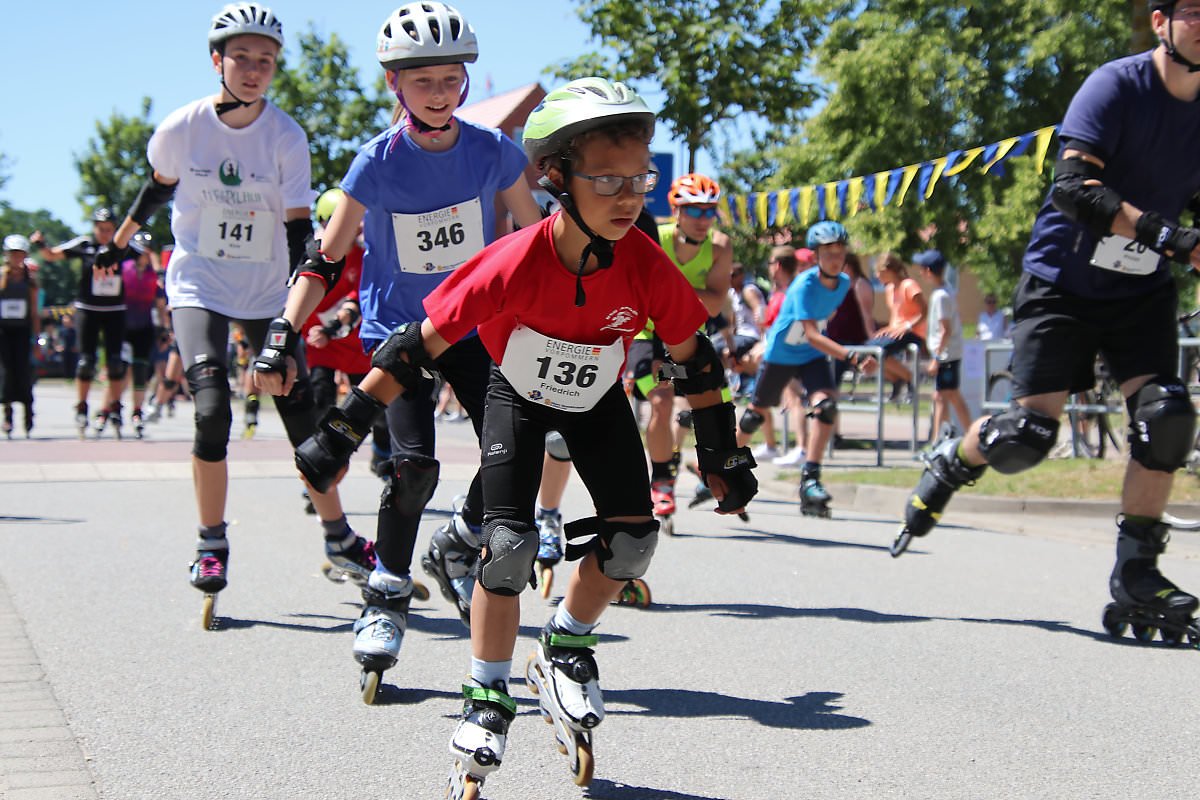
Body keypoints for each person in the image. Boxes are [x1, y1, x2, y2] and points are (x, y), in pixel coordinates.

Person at [290, 76, 756, 795]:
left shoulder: (644, 261)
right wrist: (343, 430)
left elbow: (698, 359)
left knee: (633, 541)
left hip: (595, 398)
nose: (631, 196)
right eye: (609, 179)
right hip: (520, 395)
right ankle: (487, 696)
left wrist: (724, 453)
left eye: (641, 177)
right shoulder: (515, 257)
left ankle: (566, 645)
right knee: (506, 549)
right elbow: (415, 346)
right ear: (557, 177)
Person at [892, 0, 1200, 649]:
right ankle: (954, 458)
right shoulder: (1116, 86)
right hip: (1063, 280)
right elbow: (1073, 189)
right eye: (1195, 11)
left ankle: (1137, 572)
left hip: (1140, 289)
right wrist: (1168, 234)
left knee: (1166, 414)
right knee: (1027, 435)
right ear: (1160, 22)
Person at [254, 2, 541, 685]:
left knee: (519, 445)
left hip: (474, 327)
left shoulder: (494, 151)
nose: (440, 93)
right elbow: (325, 258)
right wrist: (282, 332)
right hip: (402, 334)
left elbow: (535, 243)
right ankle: (385, 595)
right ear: (395, 86)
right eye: (423, 82)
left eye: (450, 79)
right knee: (412, 466)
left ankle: (460, 541)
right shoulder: (375, 162)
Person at [97, 2, 372, 629]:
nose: (253, 70)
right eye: (241, 58)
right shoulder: (182, 127)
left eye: (265, 61)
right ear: (216, 61)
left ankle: (338, 535)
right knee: (212, 408)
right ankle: (211, 542)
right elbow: (158, 185)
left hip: (264, 288)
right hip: (198, 281)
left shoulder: (286, 137)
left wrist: (304, 304)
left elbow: (301, 229)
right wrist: (121, 242)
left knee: (304, 421)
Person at [735, 221, 875, 517]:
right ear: (815, 257)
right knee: (753, 417)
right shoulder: (803, 285)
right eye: (829, 254)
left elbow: (821, 325)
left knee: (826, 409)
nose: (836, 259)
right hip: (782, 355)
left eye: (840, 253)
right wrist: (851, 357)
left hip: (810, 355)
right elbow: (812, 332)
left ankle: (810, 477)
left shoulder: (845, 284)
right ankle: (723, 465)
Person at [623, 173, 732, 534]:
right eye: (693, 210)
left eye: (709, 211)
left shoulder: (718, 246)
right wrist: (688, 293)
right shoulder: (656, 237)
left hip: (683, 333)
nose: (702, 219)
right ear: (675, 211)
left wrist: (668, 291)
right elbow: (638, 288)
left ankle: (690, 470)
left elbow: (716, 304)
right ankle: (663, 480)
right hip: (645, 331)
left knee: (701, 404)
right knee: (660, 399)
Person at [31, 208, 127, 437]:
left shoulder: (122, 245)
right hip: (88, 309)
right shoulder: (84, 245)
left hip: (115, 309)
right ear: (94, 228)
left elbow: (146, 256)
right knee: (86, 361)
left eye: (109, 230)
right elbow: (52, 255)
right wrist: (40, 245)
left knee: (115, 362)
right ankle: (82, 406)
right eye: (101, 229)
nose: (105, 234)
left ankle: (114, 406)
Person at [914, 250, 971, 439]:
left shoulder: (941, 296)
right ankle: (962, 435)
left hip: (947, 355)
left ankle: (938, 441)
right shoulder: (945, 292)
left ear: (929, 271)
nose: (920, 273)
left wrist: (936, 358)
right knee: (949, 396)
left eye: (922, 269)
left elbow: (945, 329)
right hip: (948, 353)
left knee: (943, 397)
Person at [120, 232, 170, 438]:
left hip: (144, 328)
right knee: (120, 370)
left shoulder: (153, 276)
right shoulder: (123, 270)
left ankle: (137, 411)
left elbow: (160, 306)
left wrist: (165, 330)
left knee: (140, 371)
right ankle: (110, 406)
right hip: (122, 327)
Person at [865, 252, 927, 402]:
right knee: (867, 350)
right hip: (897, 331)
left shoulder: (908, 285)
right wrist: (888, 328)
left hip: (914, 331)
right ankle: (897, 380)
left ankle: (911, 378)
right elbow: (896, 316)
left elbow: (924, 311)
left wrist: (907, 326)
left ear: (888, 270)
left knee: (880, 351)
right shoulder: (889, 289)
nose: (877, 277)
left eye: (878, 273)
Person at [0, 235, 39, 437]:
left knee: (24, 372)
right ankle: (7, 414)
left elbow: (34, 311)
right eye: (13, 254)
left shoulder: (30, 281)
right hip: (4, 332)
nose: (16, 258)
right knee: (6, 373)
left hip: (23, 332)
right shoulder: (1, 278)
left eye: (20, 254)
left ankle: (28, 413)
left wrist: (37, 338)